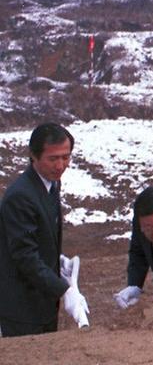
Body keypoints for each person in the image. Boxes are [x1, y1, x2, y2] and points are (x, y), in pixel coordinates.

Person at [0, 123, 87, 337]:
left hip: (44, 302)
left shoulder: (51, 183)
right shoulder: (21, 196)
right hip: (22, 308)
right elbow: (24, 255)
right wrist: (64, 291)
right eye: (53, 158)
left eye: (65, 157)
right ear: (34, 156)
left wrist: (56, 260)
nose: (60, 165)